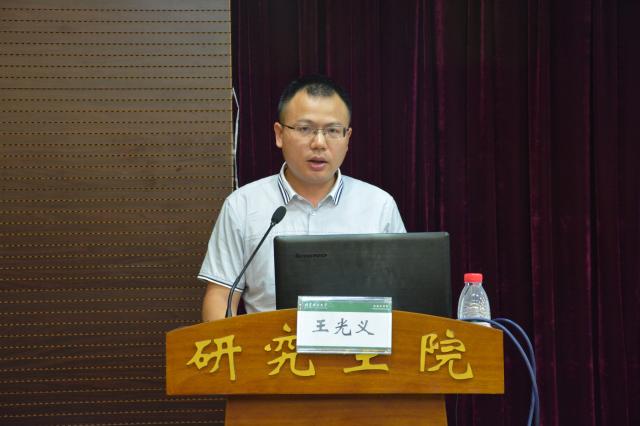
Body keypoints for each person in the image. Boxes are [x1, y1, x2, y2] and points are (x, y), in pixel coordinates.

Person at [199, 74, 405, 321]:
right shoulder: (242, 206)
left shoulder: (379, 206)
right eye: (305, 129)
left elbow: (402, 298)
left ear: (347, 138)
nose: (319, 143)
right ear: (279, 134)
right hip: (273, 345)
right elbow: (221, 296)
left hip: (360, 344)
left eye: (332, 131)